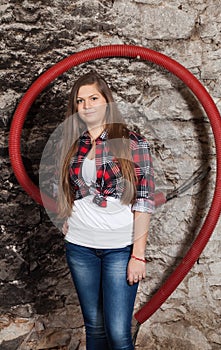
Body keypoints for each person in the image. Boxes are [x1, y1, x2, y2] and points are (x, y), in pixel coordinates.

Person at [57, 70, 155, 350]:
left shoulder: (132, 141)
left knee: (119, 334)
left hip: (119, 248)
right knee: (95, 329)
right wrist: (68, 217)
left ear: (106, 101)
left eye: (93, 98)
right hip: (80, 247)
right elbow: (70, 187)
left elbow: (144, 201)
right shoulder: (74, 143)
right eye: (80, 100)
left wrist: (138, 255)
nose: (87, 106)